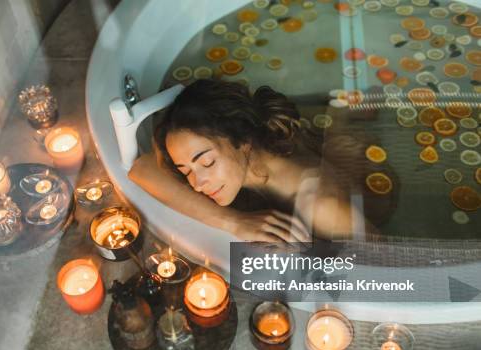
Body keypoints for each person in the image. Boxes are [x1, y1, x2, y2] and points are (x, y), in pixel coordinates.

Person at [128, 79, 387, 243]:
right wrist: (233, 222)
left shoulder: (320, 208)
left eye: (207, 163)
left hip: (371, 193)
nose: (196, 184)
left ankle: (349, 113)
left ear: (242, 140)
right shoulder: (260, 136)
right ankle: (347, 111)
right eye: (185, 171)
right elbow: (142, 169)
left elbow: (392, 266)